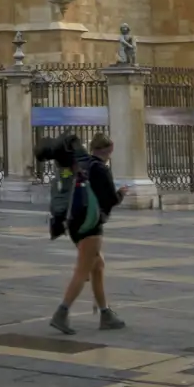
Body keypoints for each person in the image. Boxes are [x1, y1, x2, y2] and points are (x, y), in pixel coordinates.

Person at [46, 130, 126, 333]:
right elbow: (110, 200)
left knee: (97, 266)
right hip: (91, 224)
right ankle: (61, 313)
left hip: (73, 223)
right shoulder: (100, 169)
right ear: (110, 149)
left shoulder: (81, 165)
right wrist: (121, 194)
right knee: (83, 271)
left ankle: (105, 313)